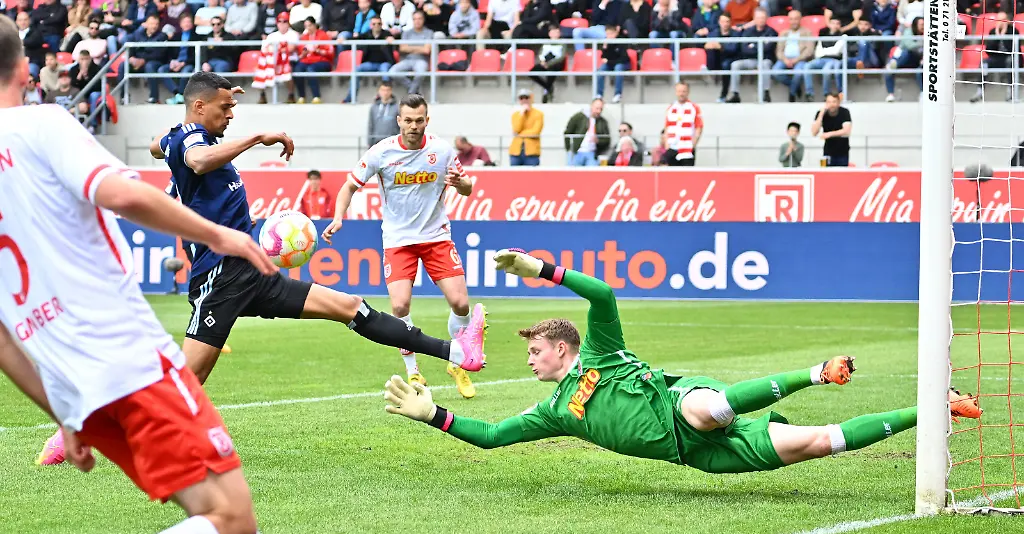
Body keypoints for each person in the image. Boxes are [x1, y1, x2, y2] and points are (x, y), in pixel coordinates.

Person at [0, 14, 286, 534]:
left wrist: (63, 413)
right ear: (25, 68)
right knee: (231, 519)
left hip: (74, 386)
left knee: (220, 517)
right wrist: (218, 234)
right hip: (127, 360)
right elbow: (123, 195)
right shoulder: (41, 124)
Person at [384, 249, 984, 478]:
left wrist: (543, 270)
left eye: (535, 350)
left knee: (705, 409)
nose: (531, 361)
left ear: (562, 348)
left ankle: (815, 373)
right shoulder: (554, 412)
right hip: (695, 455)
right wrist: (432, 414)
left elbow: (603, 296)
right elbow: (492, 436)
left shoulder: (598, 351)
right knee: (821, 443)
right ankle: (935, 406)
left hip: (683, 403)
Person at [152, 74, 486, 386]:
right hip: (220, 279)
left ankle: (458, 353)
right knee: (187, 383)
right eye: (225, 107)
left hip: (253, 273)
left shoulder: (180, 137)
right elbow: (198, 160)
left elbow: (159, 145)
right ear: (200, 106)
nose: (231, 114)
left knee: (352, 306)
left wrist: (192, 120)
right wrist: (256, 138)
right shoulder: (193, 141)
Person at [323, 94, 483, 399]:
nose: (413, 126)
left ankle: (458, 363)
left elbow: (467, 188)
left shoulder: (442, 150)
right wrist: (338, 217)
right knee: (399, 307)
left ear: (427, 120)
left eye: (419, 120)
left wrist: (460, 182)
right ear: (399, 121)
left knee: (461, 304)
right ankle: (413, 370)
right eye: (407, 120)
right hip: (398, 241)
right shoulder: (381, 152)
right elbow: (349, 186)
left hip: (436, 237)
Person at [252, 11, 297, 104]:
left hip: (289, 59)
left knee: (287, 69)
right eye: (280, 21)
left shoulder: (293, 34)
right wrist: (279, 48)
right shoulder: (272, 35)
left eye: (285, 21)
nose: (282, 24)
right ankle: (262, 95)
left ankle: (291, 95)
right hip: (272, 60)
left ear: (288, 23)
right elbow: (265, 49)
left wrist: (276, 49)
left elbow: (291, 48)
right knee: (257, 70)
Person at [772, 10, 813, 102]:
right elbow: (779, 50)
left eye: (796, 19)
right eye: (791, 19)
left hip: (800, 59)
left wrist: (796, 59)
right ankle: (795, 86)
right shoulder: (783, 33)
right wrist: (785, 59)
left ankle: (792, 94)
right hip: (784, 59)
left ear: (800, 19)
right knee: (775, 72)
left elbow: (809, 50)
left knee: (798, 73)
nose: (793, 21)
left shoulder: (807, 32)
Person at [293, 16, 334, 103]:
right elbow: (301, 54)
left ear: (314, 25)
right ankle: (301, 96)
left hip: (322, 61)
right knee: (297, 69)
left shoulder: (323, 35)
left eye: (310, 25)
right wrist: (304, 52)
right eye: (306, 26)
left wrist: (317, 50)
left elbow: (330, 52)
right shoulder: (304, 37)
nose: (308, 28)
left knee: (310, 69)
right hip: (307, 60)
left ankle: (316, 96)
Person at [390, 10, 431, 95]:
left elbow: (426, 50)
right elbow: (402, 48)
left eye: (419, 19)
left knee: (420, 74)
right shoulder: (406, 33)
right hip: (407, 60)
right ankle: (413, 90)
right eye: (415, 19)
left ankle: (411, 92)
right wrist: (420, 47)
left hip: (421, 60)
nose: (417, 21)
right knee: (392, 72)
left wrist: (410, 48)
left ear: (423, 20)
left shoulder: (429, 33)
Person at [663, 80, 702, 166]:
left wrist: (693, 144)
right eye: (679, 91)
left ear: (688, 92)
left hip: (687, 148)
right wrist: (666, 144)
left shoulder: (694, 108)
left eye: (684, 91)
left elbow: (699, 127)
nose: (681, 94)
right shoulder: (671, 108)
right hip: (672, 147)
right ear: (676, 92)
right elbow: (667, 127)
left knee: (687, 173)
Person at [564, 97, 610, 166]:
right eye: (597, 108)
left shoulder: (603, 122)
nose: (599, 111)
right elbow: (567, 133)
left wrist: (598, 141)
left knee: (593, 171)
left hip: (592, 153)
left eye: (601, 109)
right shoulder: (578, 117)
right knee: (573, 172)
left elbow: (607, 139)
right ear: (591, 106)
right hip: (576, 152)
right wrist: (569, 149)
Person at [810, 92, 851, 167]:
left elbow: (847, 131)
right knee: (826, 173)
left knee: (841, 173)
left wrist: (829, 134)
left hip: (842, 152)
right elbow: (814, 132)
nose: (831, 104)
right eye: (829, 102)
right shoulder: (821, 113)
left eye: (834, 102)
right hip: (828, 151)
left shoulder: (844, 112)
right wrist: (821, 115)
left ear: (838, 103)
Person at [528, 25, 566, 103]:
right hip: (545, 63)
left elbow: (561, 57)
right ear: (549, 33)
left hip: (556, 64)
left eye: (557, 32)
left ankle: (546, 91)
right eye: (553, 32)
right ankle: (548, 88)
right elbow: (540, 54)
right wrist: (542, 61)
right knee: (532, 72)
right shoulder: (546, 43)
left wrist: (549, 64)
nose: (555, 33)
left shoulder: (563, 43)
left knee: (551, 70)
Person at [596, 24, 629, 103]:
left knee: (618, 68)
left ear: (616, 33)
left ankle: (617, 94)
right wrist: (605, 48)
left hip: (622, 63)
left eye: (611, 33)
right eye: (607, 34)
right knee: (600, 70)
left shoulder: (621, 41)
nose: (609, 36)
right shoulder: (606, 42)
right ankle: (599, 94)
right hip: (610, 64)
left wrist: (609, 61)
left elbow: (623, 58)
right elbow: (603, 57)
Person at [509, 88, 543, 166]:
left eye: (526, 98)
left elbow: (535, 132)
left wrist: (520, 134)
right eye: (521, 98)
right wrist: (522, 114)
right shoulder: (516, 115)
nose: (524, 100)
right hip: (515, 152)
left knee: (531, 173)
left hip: (531, 153)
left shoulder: (538, 114)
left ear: (531, 99)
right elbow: (516, 129)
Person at [366, 81, 399, 145]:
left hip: (392, 143)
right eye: (383, 90)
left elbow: (400, 126)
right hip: (376, 142)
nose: (385, 93)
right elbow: (370, 125)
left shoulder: (397, 107)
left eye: (387, 90)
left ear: (391, 91)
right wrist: (369, 142)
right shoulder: (373, 107)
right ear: (379, 91)